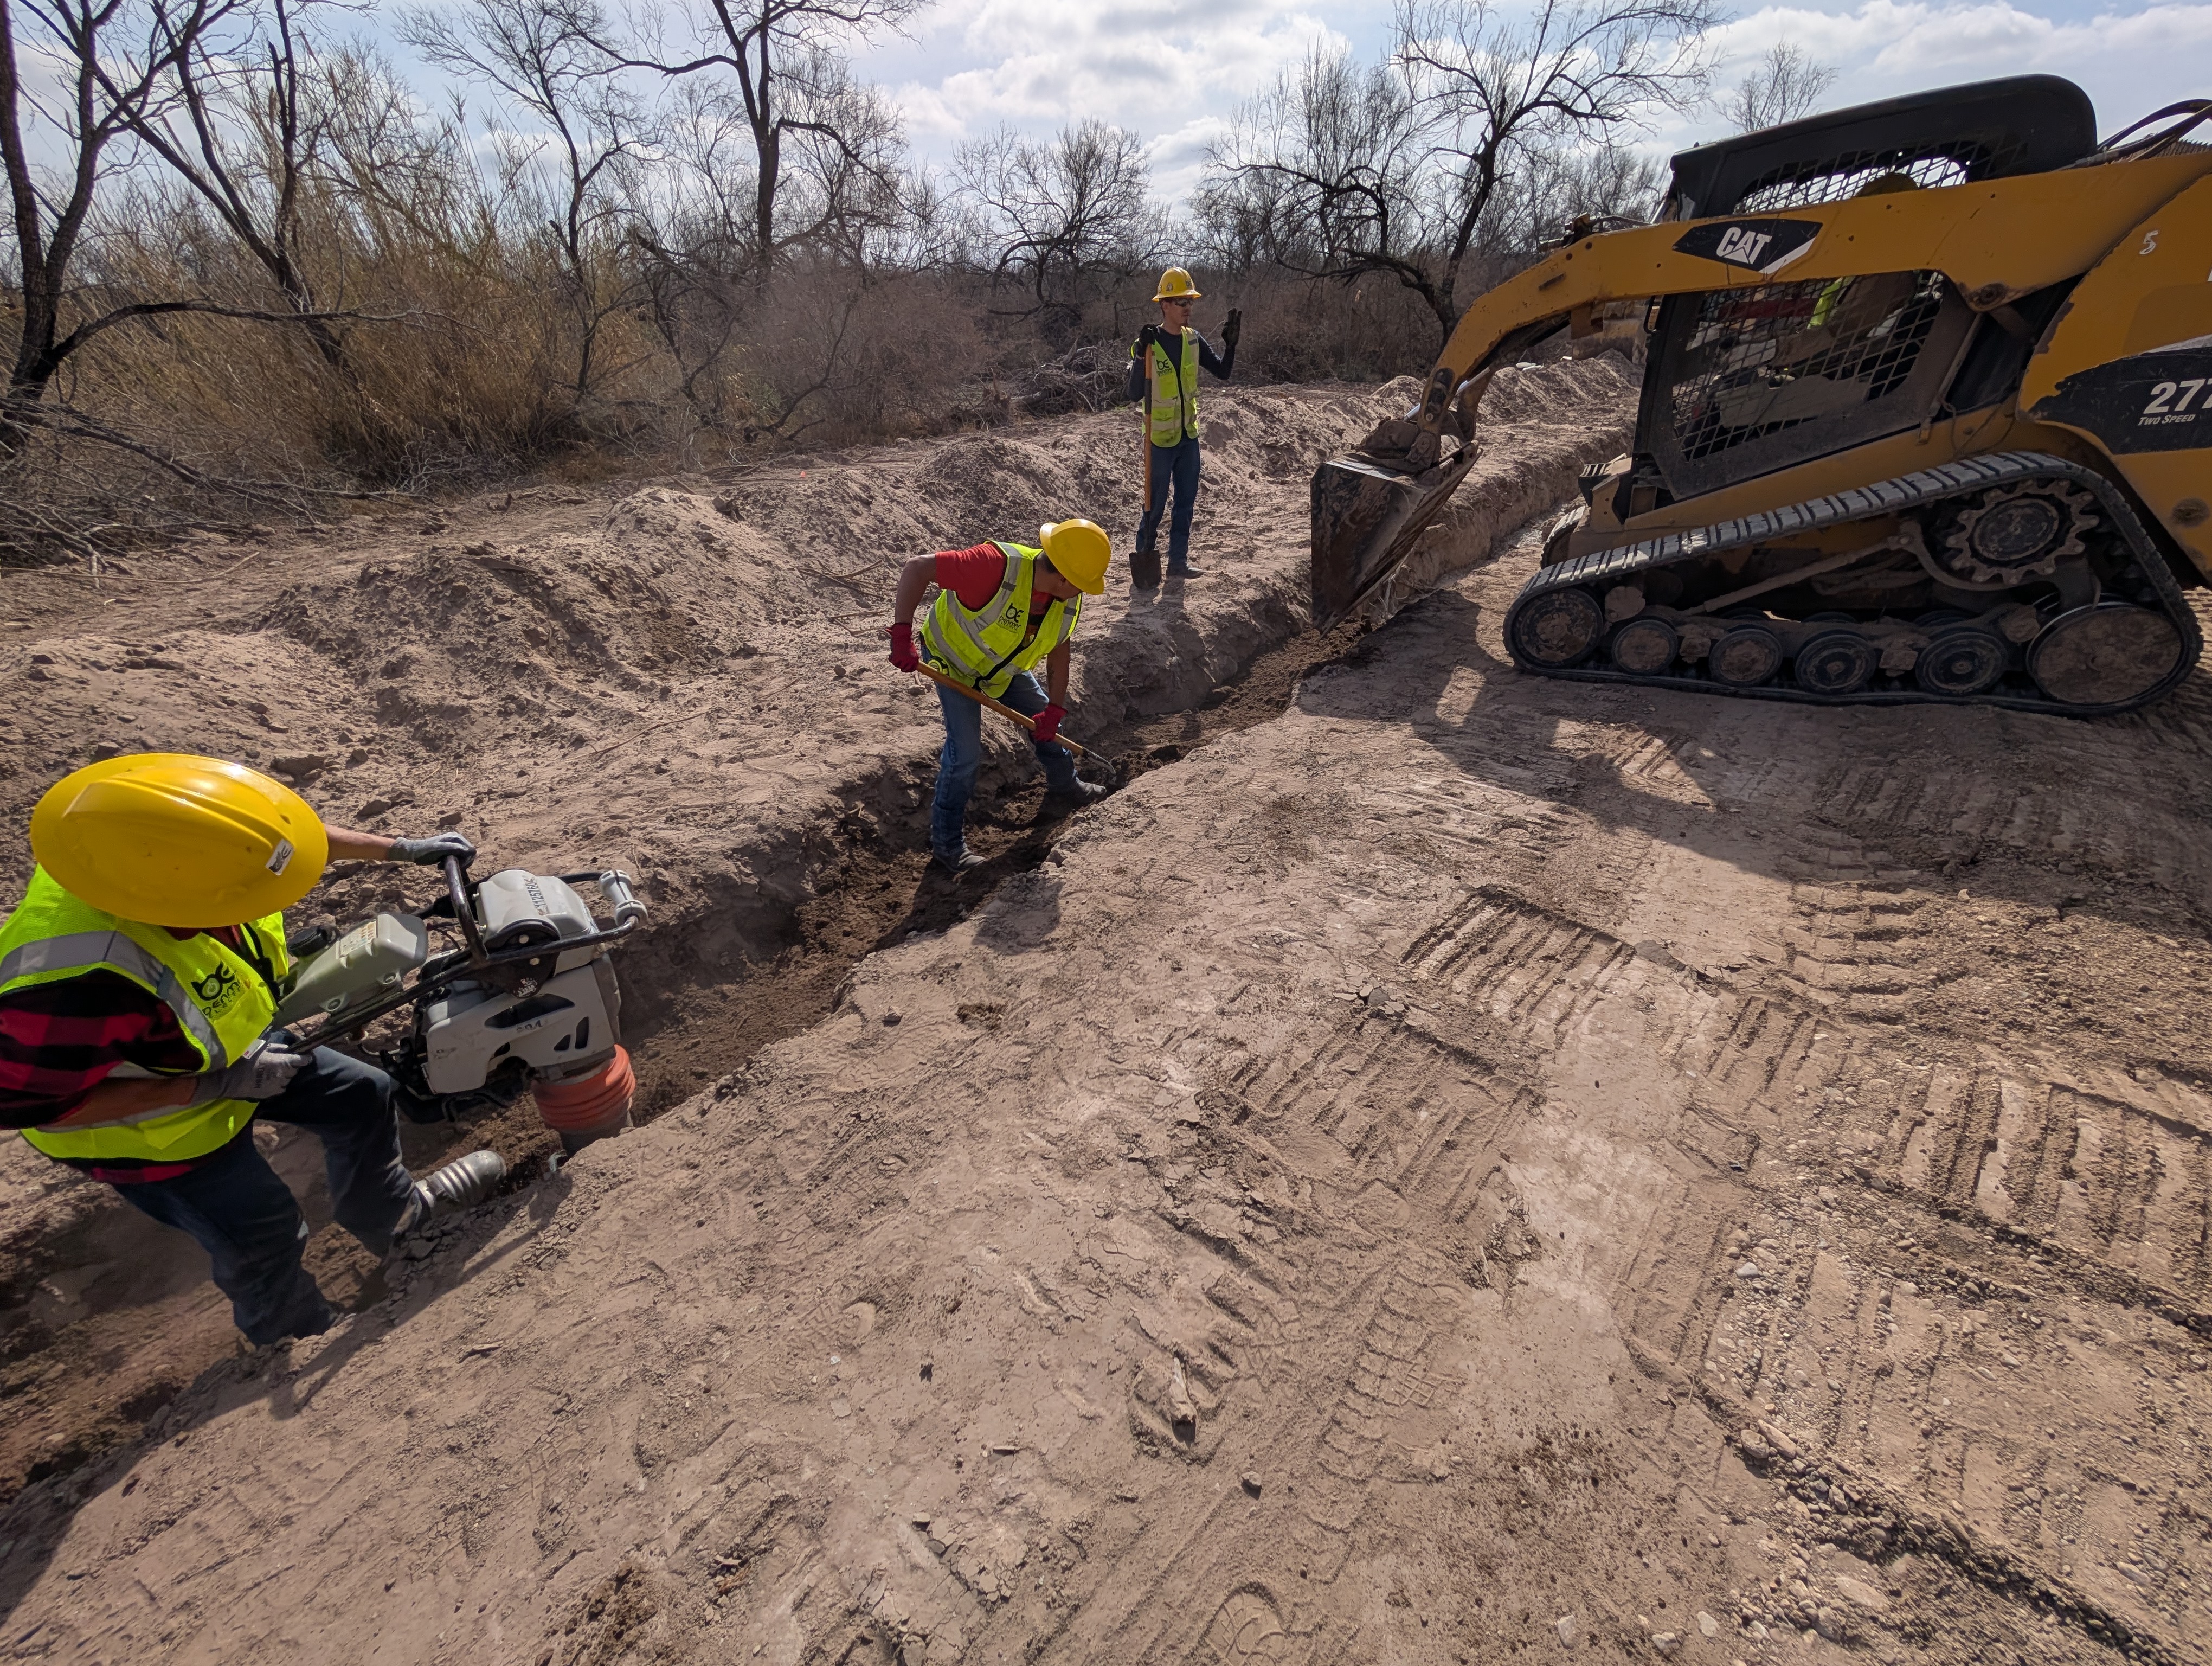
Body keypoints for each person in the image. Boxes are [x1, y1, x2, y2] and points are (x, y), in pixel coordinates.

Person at [0, 753, 507, 1346]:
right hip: (151, 1131)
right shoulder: (71, 988)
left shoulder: (162, 852)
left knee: (362, 1094)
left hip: (224, 1046)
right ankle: (292, 1334)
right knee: (263, 1230)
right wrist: (213, 1087)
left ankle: (395, 1218)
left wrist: (396, 848)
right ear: (176, 899)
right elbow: (27, 1105)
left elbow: (279, 845)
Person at [886, 519, 1113, 874]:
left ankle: (1065, 786)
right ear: (1065, 577)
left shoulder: (1067, 599)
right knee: (965, 754)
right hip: (951, 662)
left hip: (1002, 671)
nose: (1083, 592)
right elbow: (918, 568)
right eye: (1082, 584)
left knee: (1048, 722)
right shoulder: (994, 565)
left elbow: (1059, 650)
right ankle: (947, 846)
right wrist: (902, 633)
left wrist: (1054, 708)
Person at [1127, 266, 1240, 587]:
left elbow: (1223, 373)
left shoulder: (1193, 341)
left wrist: (1231, 344)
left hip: (1189, 438)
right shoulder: (1149, 343)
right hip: (1160, 441)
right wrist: (1140, 353)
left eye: (1190, 301)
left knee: (1186, 503)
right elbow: (1133, 393)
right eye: (1181, 302)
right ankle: (1145, 558)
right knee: (1155, 505)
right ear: (1164, 305)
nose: (1188, 307)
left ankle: (1178, 563)